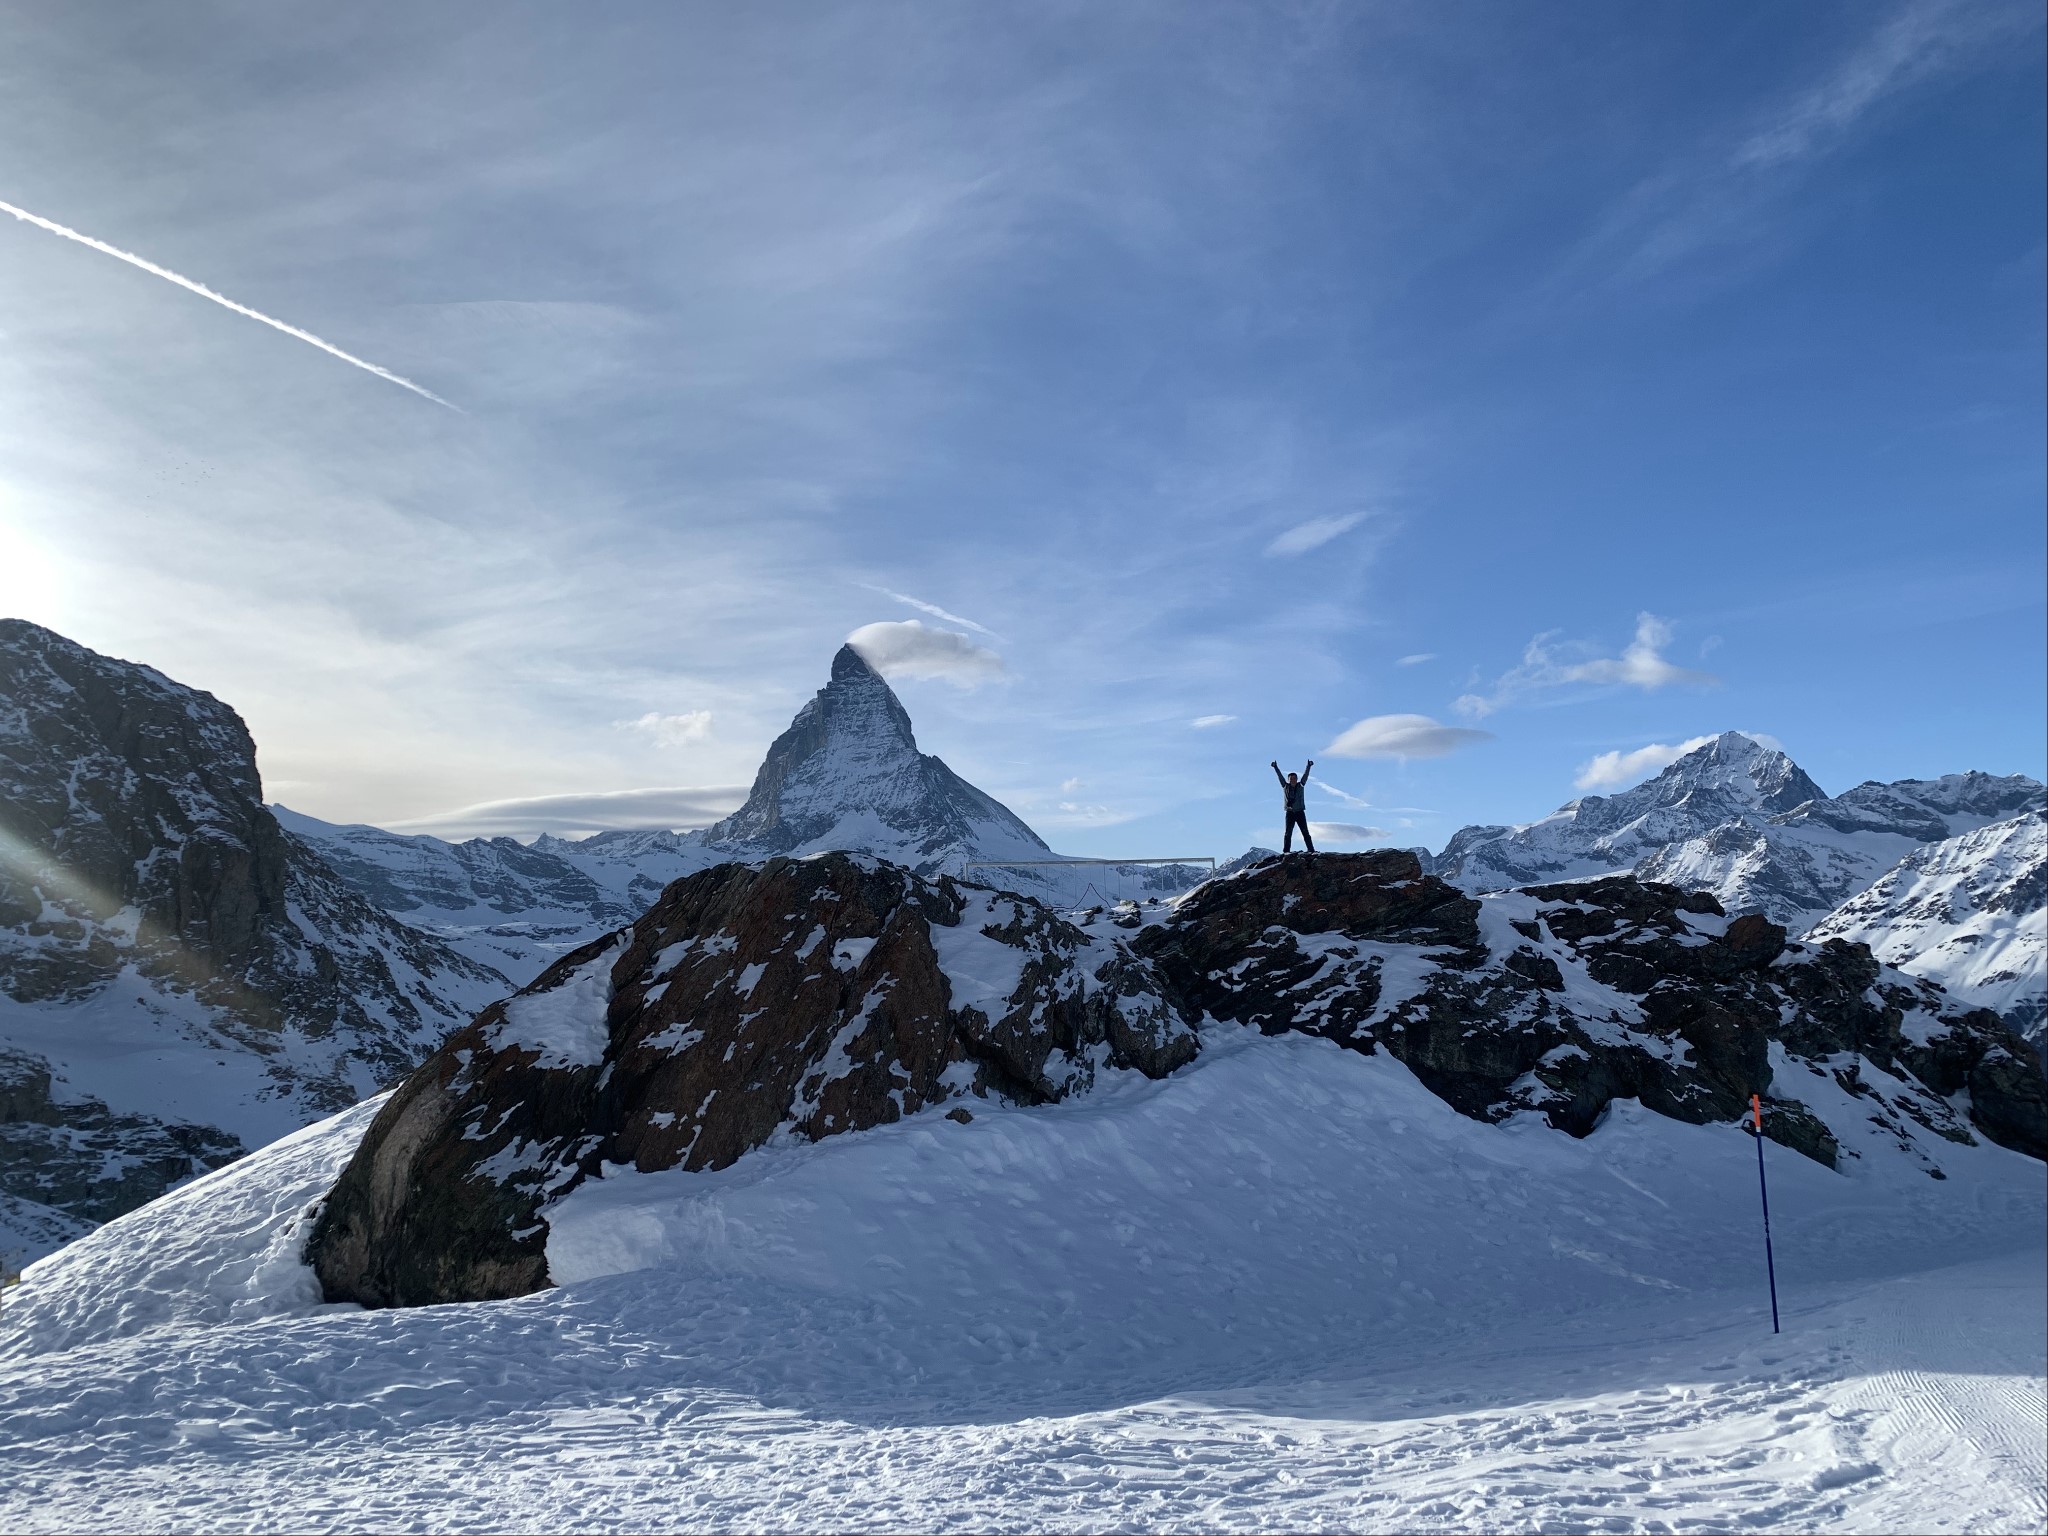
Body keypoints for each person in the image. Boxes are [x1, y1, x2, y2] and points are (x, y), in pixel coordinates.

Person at [1271, 759, 1315, 854]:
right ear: (1288, 780)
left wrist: (1308, 766)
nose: (1293, 780)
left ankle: (1311, 850)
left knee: (1305, 832)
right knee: (1288, 833)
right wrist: (1275, 767)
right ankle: (1286, 852)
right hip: (1290, 812)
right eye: (1291, 779)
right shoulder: (1285, 786)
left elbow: (1305, 776)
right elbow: (1280, 777)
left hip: (1300, 812)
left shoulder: (1301, 786)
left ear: (1297, 779)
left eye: (1294, 778)